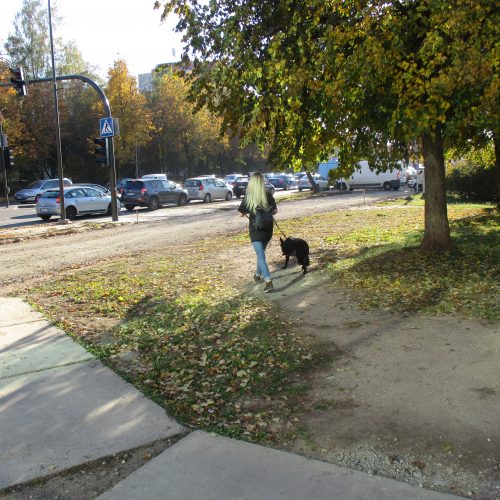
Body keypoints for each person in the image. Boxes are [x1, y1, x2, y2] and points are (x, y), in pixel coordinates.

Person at [238, 172, 277, 292]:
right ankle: (257, 275)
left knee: (261, 255)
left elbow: (241, 213)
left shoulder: (249, 197)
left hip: (255, 230)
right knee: (261, 254)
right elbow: (275, 211)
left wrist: (248, 212)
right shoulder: (268, 195)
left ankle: (268, 281)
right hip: (268, 229)